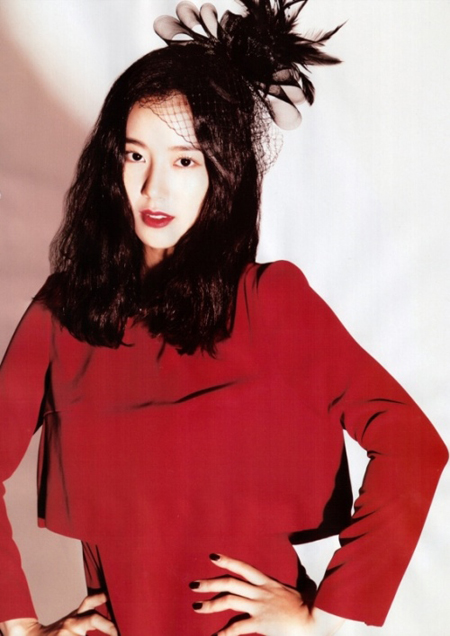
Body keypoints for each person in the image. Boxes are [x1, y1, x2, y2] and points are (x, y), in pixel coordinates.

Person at [0, 1, 447, 635]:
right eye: (135, 155)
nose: (154, 189)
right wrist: (18, 623)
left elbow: (411, 443)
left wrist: (327, 617)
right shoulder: (64, 314)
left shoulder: (272, 302)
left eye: (184, 161)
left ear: (222, 171)